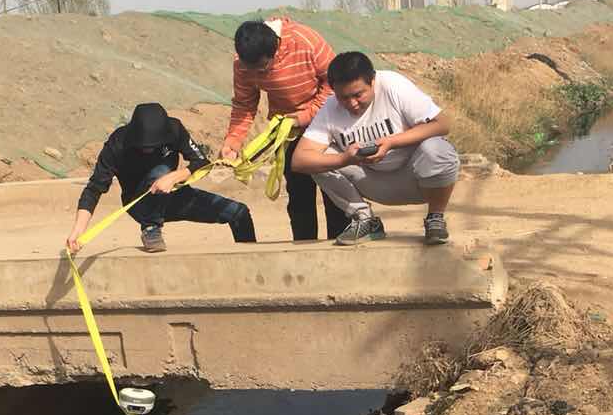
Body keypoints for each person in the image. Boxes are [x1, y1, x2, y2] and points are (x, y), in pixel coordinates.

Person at [291, 51, 460, 246]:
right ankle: (366, 220)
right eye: (343, 97)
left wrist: (391, 142)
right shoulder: (330, 107)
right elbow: (299, 160)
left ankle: (435, 217)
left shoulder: (392, 85)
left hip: (418, 180)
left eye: (358, 95)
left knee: (437, 149)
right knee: (318, 159)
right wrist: (345, 159)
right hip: (373, 182)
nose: (352, 103)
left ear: (372, 81)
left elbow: (442, 124)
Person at [220, 17, 350, 242]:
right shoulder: (243, 63)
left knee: (334, 191)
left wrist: (307, 115)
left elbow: (335, 81)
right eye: (252, 69)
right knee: (299, 195)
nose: (258, 73)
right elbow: (244, 103)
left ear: (276, 49)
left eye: (263, 67)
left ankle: (339, 247)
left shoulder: (305, 41)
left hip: (327, 125)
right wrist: (233, 140)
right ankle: (303, 248)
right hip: (289, 131)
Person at [67, 102, 255, 255]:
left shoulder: (174, 129)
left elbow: (202, 163)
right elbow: (94, 188)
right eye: (144, 147)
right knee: (160, 172)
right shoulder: (118, 143)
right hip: (139, 204)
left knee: (239, 213)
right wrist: (78, 230)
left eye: (153, 147)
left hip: (175, 195)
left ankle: (250, 261)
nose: (148, 150)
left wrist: (175, 176)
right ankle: (151, 229)